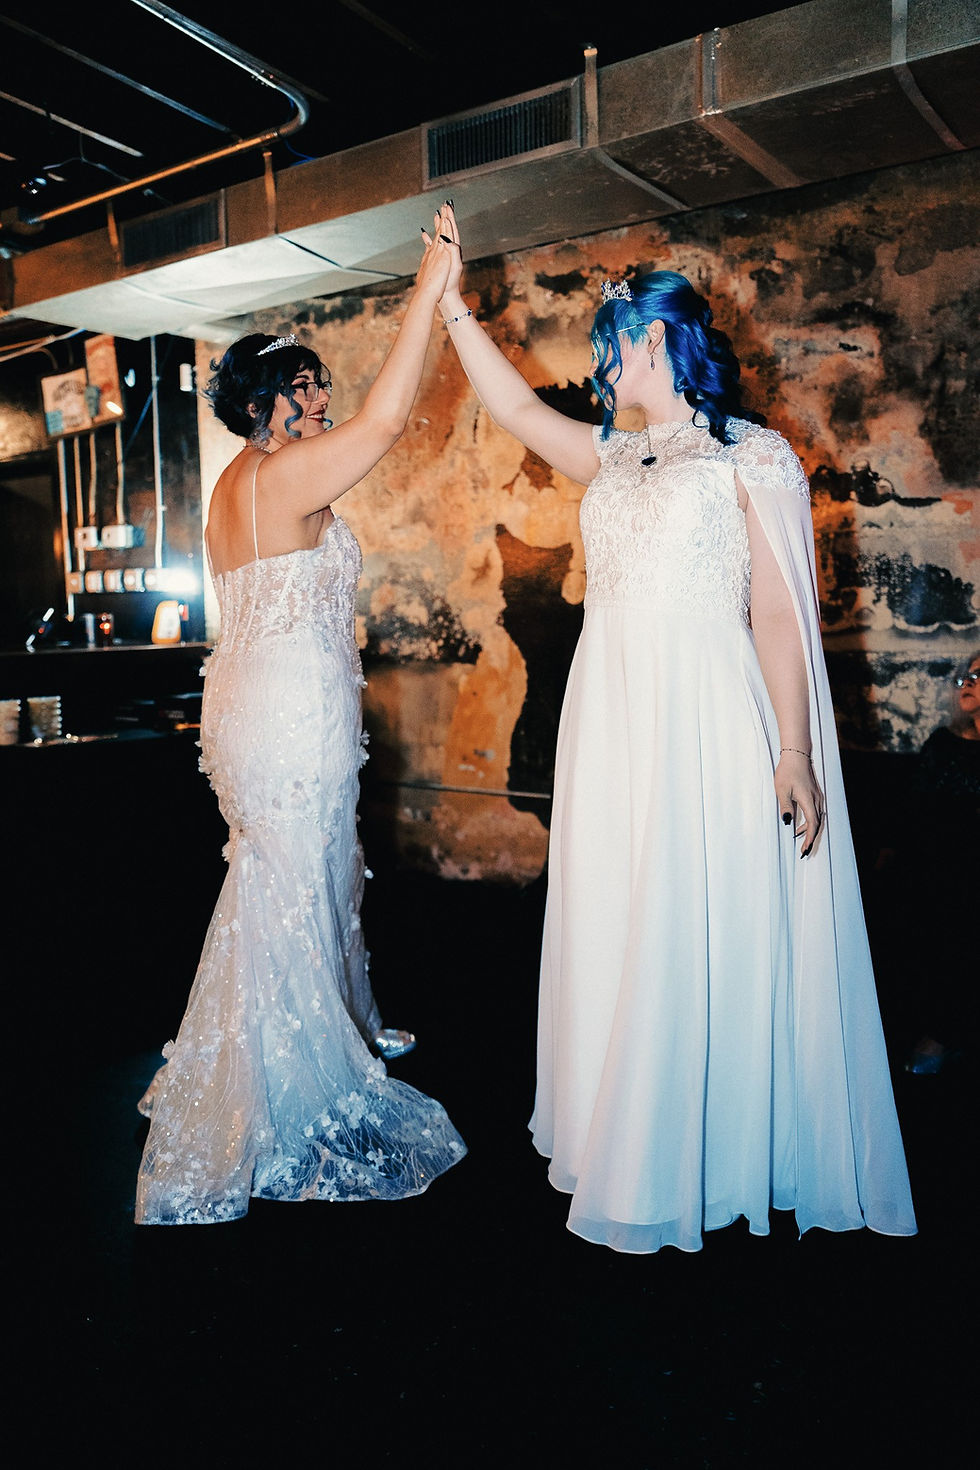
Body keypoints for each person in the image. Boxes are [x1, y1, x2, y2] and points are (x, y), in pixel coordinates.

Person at [435, 204, 916, 1252]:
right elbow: (511, 406)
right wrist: (449, 303)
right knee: (622, 913)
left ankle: (707, 1149)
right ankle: (631, 1135)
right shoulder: (609, 456)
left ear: (650, 338)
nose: (598, 368)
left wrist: (793, 751)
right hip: (610, 719)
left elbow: (779, 614)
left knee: (696, 912)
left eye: (606, 347)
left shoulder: (753, 457)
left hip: (705, 711)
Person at [135, 210, 466, 1225]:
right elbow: (387, 422)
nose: (321, 400)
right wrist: (427, 293)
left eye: (321, 383)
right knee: (294, 875)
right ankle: (289, 1084)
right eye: (303, 388)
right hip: (289, 713)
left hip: (247, 704)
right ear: (262, 406)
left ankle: (291, 1038)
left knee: (280, 875)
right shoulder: (282, 473)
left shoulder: (232, 487)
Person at [902, 650, 979, 1075]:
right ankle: (941, 1034)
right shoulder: (943, 743)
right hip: (945, 871)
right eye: (965, 677)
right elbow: (916, 812)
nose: (966, 683)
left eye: (979, 677)